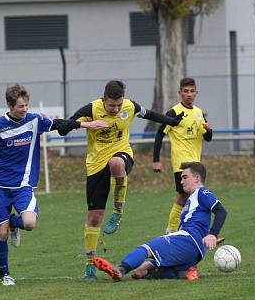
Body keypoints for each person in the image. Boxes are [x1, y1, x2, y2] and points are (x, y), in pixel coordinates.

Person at [0, 84, 107, 285]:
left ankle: (14, 222)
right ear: (10, 106)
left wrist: (86, 125)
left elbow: (58, 124)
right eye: (21, 106)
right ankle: (5, 275)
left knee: (29, 223)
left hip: (23, 185)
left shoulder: (34, 120)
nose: (25, 109)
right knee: (1, 233)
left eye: (26, 105)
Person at [59, 79, 183, 281]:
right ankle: (89, 263)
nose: (116, 109)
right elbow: (64, 128)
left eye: (119, 105)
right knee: (94, 217)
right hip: (95, 164)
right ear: (103, 99)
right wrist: (85, 124)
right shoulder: (91, 109)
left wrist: (173, 122)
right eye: (111, 106)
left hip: (122, 154)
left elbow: (150, 114)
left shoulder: (130, 106)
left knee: (116, 163)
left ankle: (118, 212)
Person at [93, 161, 227, 281]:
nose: (181, 182)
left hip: (188, 240)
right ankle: (184, 272)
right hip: (195, 253)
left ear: (197, 178)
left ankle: (120, 270)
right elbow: (199, 224)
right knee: (142, 270)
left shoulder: (201, 192)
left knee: (147, 249)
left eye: (185, 177)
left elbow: (221, 211)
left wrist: (212, 234)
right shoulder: (193, 198)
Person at [152, 76, 213, 233]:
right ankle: (172, 230)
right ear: (180, 93)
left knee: (191, 197)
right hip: (181, 163)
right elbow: (159, 134)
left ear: (196, 93)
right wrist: (156, 160)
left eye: (192, 91)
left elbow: (207, 138)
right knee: (186, 196)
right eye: (186, 91)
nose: (189, 94)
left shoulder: (199, 113)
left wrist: (209, 130)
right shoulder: (174, 112)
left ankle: (184, 229)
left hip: (196, 163)